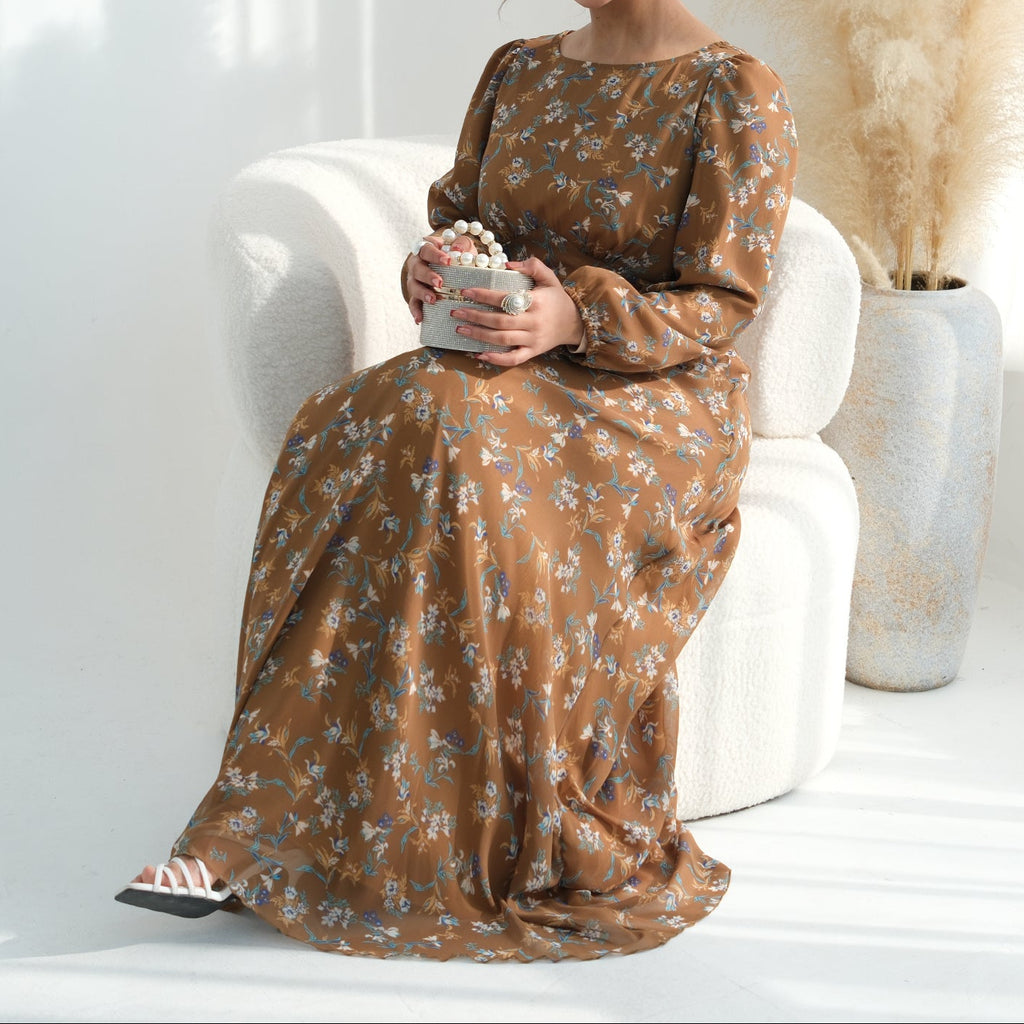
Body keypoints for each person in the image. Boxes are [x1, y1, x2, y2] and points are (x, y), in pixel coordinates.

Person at [117, 0, 797, 962]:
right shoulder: (517, 68)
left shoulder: (733, 90)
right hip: (494, 371)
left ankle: (416, 846)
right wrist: (432, 269)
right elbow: (460, 221)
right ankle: (247, 828)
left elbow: (723, 300)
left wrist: (573, 321)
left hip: (649, 397)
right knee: (352, 422)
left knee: (444, 424)